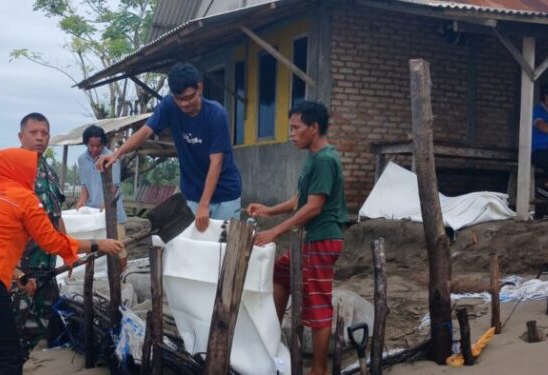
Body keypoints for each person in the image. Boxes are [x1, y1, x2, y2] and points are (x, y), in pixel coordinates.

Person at [0, 147, 123, 374]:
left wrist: (19, 276)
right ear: (15, 170)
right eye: (29, 170)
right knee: (8, 358)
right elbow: (52, 241)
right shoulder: (23, 198)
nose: (33, 176)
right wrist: (97, 244)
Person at [247, 101, 347, 375]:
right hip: (309, 240)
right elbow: (299, 199)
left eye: (295, 128)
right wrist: (269, 210)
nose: (291, 134)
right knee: (281, 272)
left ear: (313, 128)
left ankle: (318, 369)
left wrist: (276, 231)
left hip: (321, 239)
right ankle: (270, 338)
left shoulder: (326, 159)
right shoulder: (314, 158)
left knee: (317, 303)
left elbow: (314, 206)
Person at [97, 62, 242, 232]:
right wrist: (117, 154)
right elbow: (145, 131)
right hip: (193, 192)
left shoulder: (216, 114)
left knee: (224, 246)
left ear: (200, 88)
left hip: (225, 193)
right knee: (191, 244)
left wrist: (205, 204)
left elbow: (216, 162)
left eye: (189, 97)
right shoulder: (169, 106)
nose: (184, 104)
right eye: (179, 98)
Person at [13, 112, 68, 360]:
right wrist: (14, 270)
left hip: (45, 264)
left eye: (44, 133)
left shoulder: (48, 171)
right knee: (14, 324)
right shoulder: (12, 169)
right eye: (33, 133)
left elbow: (57, 216)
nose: (39, 138)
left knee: (39, 321)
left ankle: (17, 362)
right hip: (21, 265)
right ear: (20, 136)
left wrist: (67, 251)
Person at [76, 125, 128, 269]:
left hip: (114, 212)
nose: (95, 149)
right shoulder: (82, 159)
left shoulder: (111, 157)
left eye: (98, 146)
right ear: (86, 143)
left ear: (103, 144)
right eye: (91, 145)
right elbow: (85, 185)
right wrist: (81, 202)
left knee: (119, 248)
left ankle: (122, 276)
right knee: (95, 248)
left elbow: (114, 187)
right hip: (93, 212)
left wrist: (106, 205)